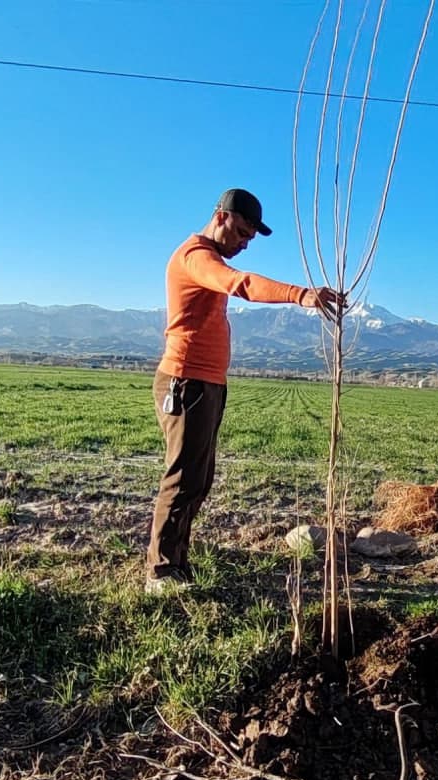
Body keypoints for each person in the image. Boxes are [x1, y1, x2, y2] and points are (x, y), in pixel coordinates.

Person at [146, 188, 343, 594]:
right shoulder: (196, 257)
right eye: (240, 232)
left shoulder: (210, 256)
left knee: (198, 480)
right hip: (187, 381)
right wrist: (299, 295)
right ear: (220, 217)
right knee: (182, 479)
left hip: (208, 382)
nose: (244, 243)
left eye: (250, 238)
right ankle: (161, 572)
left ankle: (177, 563)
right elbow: (241, 284)